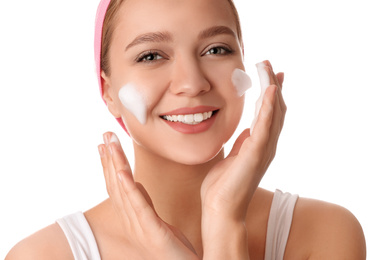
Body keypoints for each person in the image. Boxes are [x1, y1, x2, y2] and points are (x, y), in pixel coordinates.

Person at [5, 0, 366, 259]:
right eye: (151, 56)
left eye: (216, 49)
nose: (192, 83)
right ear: (108, 93)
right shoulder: (45, 255)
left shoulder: (324, 233)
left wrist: (225, 223)